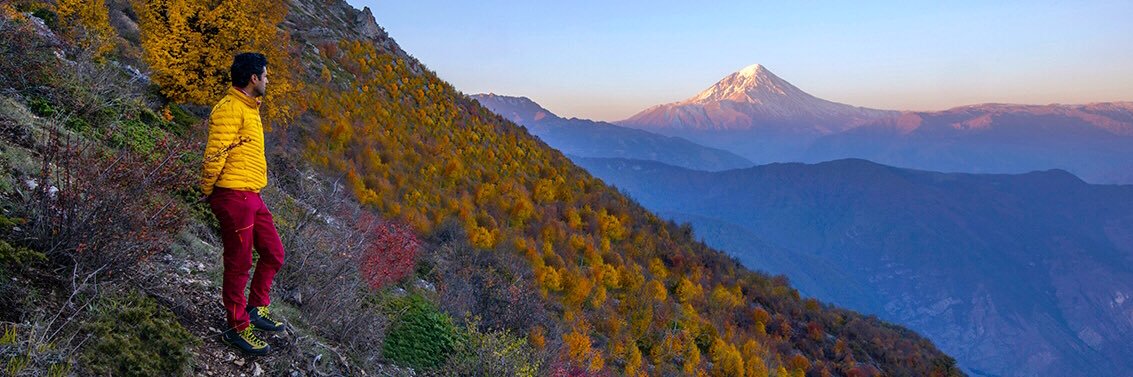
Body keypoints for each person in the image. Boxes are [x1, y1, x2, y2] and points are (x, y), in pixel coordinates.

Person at [200, 52, 286, 356]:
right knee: (239, 264)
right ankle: (235, 329)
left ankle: (254, 309)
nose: (267, 78)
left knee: (274, 252)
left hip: (252, 194)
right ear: (253, 78)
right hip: (233, 193)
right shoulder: (229, 109)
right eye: (265, 74)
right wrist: (209, 190)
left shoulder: (251, 108)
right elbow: (214, 155)